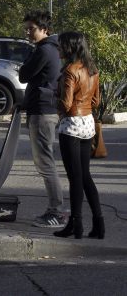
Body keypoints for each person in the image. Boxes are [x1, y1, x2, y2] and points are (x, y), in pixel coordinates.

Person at [54, 32, 104, 239]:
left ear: (70, 47)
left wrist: (53, 95)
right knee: (85, 176)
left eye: (61, 45)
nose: (59, 49)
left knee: (74, 178)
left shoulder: (70, 71)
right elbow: (96, 101)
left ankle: (75, 225)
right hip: (87, 124)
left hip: (71, 125)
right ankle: (98, 224)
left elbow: (65, 104)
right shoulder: (91, 69)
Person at [19, 10, 65, 228]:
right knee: (46, 160)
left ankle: (56, 211)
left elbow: (23, 75)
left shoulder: (45, 50)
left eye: (32, 29)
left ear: (44, 30)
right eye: (26, 28)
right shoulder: (55, 47)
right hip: (48, 108)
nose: (28, 33)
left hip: (42, 110)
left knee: (45, 162)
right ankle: (56, 209)